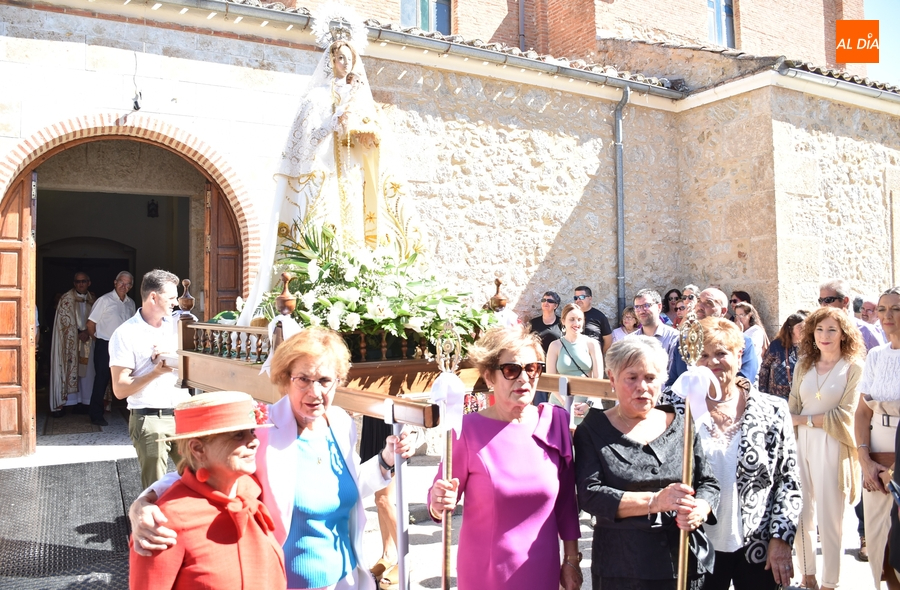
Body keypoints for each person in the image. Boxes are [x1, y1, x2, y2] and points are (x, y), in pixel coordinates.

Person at [130, 328, 413, 590]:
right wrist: (144, 502)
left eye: (325, 380)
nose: (315, 392)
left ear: (338, 381)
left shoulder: (339, 423)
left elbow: (343, 489)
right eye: (303, 379)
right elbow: (197, 468)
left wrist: (386, 460)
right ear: (285, 378)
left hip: (347, 578)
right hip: (287, 581)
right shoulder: (263, 429)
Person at [239, 15, 425, 325]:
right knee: (322, 232)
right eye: (339, 58)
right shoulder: (316, 98)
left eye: (349, 59)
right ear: (330, 60)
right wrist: (334, 120)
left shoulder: (363, 101)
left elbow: (376, 141)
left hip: (354, 178)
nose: (344, 63)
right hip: (323, 177)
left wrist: (364, 132)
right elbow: (307, 140)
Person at [428, 325, 582, 590]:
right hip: (486, 573)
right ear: (489, 377)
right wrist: (437, 502)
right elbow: (438, 501)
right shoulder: (466, 431)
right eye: (511, 370)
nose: (524, 378)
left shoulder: (555, 422)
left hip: (541, 569)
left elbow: (567, 503)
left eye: (532, 368)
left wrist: (571, 561)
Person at [661, 317, 801, 590]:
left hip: (757, 546)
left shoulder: (772, 409)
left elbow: (788, 479)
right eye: (702, 355)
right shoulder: (673, 406)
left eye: (721, 353)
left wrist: (781, 538)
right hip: (693, 543)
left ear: (740, 354)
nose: (712, 362)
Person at [575, 336, 719, 589]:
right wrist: (655, 502)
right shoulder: (593, 428)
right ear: (612, 379)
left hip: (683, 562)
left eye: (651, 378)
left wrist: (701, 508)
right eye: (631, 377)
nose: (642, 386)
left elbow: (708, 482)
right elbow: (590, 494)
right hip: (623, 566)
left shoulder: (682, 424)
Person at [129, 391, 286, 590]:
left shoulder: (251, 488)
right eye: (238, 434)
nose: (255, 441)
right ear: (198, 449)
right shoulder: (163, 525)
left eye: (252, 432)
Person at [789, 306, 865, 590]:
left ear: (844, 333)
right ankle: (807, 573)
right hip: (800, 444)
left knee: (830, 517)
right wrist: (800, 423)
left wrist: (803, 420)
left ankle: (829, 582)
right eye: (819, 329)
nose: (824, 335)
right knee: (800, 511)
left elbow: (846, 415)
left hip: (834, 445)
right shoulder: (803, 365)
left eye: (832, 329)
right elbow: (791, 406)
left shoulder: (854, 367)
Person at [111, 270, 189, 488]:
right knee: (157, 488)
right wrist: (155, 372)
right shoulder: (125, 334)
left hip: (183, 415)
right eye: (172, 297)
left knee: (197, 479)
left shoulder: (178, 326)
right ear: (154, 297)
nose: (177, 302)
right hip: (150, 418)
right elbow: (120, 389)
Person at [855, 287, 900, 590]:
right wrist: (865, 459)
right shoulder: (875, 356)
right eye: (882, 309)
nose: (886, 316)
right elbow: (861, 412)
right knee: (880, 547)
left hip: (898, 465)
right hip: (875, 462)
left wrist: (895, 472)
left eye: (895, 309)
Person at [666, 288, 759, 388]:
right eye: (698, 301)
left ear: (723, 311)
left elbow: (744, 381)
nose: (700, 306)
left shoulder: (742, 341)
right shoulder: (684, 342)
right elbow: (673, 382)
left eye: (708, 303)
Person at [87, 271, 135, 426]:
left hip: (124, 346)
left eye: (128, 284)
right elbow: (90, 324)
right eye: (121, 282)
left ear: (131, 286)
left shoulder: (130, 303)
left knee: (127, 377)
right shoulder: (104, 300)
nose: (124, 286)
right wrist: (99, 340)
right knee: (101, 379)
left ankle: (132, 412)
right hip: (105, 344)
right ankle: (96, 415)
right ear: (115, 282)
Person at [547, 303, 603, 424]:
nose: (576, 323)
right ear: (563, 321)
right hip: (560, 402)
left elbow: (598, 378)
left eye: (579, 319)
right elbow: (550, 380)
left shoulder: (592, 344)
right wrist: (565, 403)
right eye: (571, 319)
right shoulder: (555, 346)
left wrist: (588, 403)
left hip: (588, 403)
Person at [49, 272, 96, 417]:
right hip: (71, 344)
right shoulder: (66, 299)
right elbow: (62, 323)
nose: (80, 284)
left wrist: (87, 332)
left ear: (89, 282)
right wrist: (77, 333)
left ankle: (85, 402)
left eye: (83, 281)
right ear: (74, 283)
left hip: (89, 341)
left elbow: (99, 319)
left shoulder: (94, 299)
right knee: (70, 370)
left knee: (88, 372)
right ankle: (70, 402)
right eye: (77, 281)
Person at [758, 311, 808, 400]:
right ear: (790, 329)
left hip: (801, 397)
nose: (804, 330)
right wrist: (762, 392)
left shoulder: (809, 346)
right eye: (800, 327)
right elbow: (765, 367)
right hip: (777, 396)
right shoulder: (776, 345)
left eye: (805, 327)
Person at [630, 289, 679, 370]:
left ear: (659, 307)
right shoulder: (629, 341)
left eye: (646, 305)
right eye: (637, 307)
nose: (641, 311)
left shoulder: (674, 338)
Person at [529, 291, 562, 405]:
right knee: (540, 404)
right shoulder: (534, 323)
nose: (546, 303)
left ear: (556, 305)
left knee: (560, 402)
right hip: (539, 368)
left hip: (558, 368)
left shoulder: (561, 323)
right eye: (544, 300)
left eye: (550, 301)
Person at [573, 286, 612, 355]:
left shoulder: (599, 316)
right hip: (574, 358)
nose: (578, 300)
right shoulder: (571, 316)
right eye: (576, 298)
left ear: (590, 299)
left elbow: (608, 339)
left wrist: (599, 354)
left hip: (593, 359)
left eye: (582, 297)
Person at [733, 301, 769, 371]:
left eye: (741, 315)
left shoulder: (756, 330)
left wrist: (740, 333)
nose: (738, 318)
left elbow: (751, 350)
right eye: (736, 315)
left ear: (749, 315)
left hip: (751, 369)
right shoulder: (736, 329)